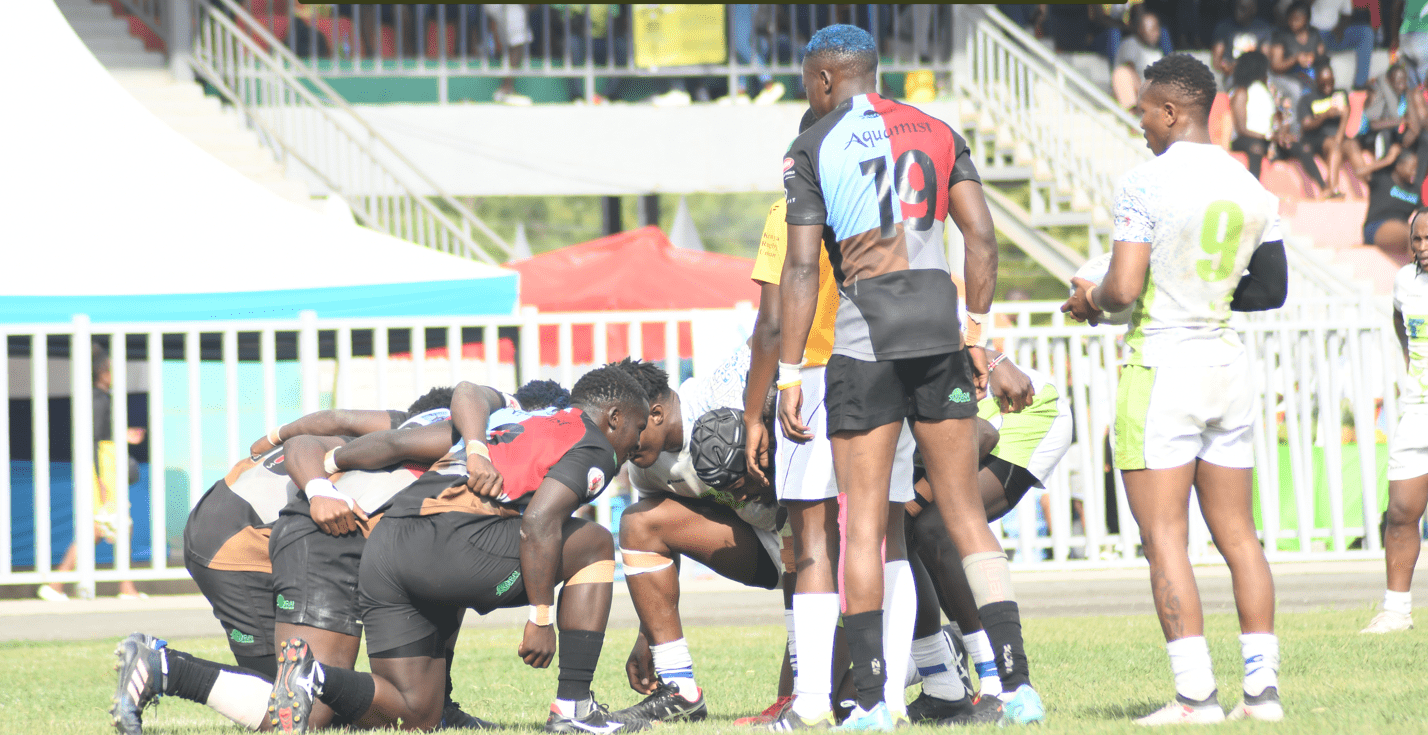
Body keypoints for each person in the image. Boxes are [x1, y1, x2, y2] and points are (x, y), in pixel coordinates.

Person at [778, 24, 1041, 729]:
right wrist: (979, 338)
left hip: (866, 342)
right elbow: (980, 237)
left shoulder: (812, 145)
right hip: (938, 336)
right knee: (964, 512)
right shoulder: (938, 129)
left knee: (863, 525)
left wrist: (788, 372)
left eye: (809, 82)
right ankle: (1015, 685)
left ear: (827, 79)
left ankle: (868, 700)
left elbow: (801, 269)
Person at [1061, 53, 1289, 725]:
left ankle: (1196, 697)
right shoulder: (1250, 185)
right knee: (1240, 536)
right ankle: (1263, 693)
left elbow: (1125, 287)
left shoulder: (1144, 182)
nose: (1141, 128)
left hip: (1160, 368)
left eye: (1144, 114)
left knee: (1164, 536)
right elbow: (1271, 288)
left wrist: (1090, 299)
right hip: (1226, 363)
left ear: (1170, 109)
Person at [268, 366, 650, 734]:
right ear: (614, 417)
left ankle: (311, 675)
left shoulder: (509, 418)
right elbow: (539, 522)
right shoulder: (595, 442)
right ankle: (574, 708)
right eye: (639, 426)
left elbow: (402, 438)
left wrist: (332, 460)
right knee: (597, 543)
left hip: (387, 548)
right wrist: (540, 616)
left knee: (414, 713)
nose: (639, 441)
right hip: (450, 543)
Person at [610, 353, 784, 724]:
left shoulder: (722, 394)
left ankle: (935, 657)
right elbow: (658, 551)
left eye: (627, 432)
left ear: (654, 414)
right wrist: (650, 637)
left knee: (814, 697)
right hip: (761, 547)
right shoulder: (645, 464)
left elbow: (767, 336)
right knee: (640, 523)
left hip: (822, 544)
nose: (622, 446)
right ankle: (679, 689)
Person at [904, 351, 1072, 711]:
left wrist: (995, 360)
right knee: (904, 533)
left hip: (1019, 414)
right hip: (970, 421)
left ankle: (996, 679)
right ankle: (944, 679)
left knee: (935, 525)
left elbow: (981, 436)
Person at [1363, 209, 1428, 634]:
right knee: (1402, 510)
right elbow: (1401, 326)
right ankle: (1395, 611)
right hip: (1418, 408)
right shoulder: (1405, 281)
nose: (1422, 247)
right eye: (1416, 240)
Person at [43, 341, 147, 601]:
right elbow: (92, 439)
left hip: (105, 466)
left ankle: (60, 584)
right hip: (102, 470)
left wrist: (124, 435)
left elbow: (102, 434)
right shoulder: (97, 399)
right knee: (111, 526)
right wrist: (100, 478)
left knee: (106, 528)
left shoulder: (100, 398)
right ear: (102, 372)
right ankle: (121, 587)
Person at [1344, 64, 1423, 178]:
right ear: (1389, 81)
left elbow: (1414, 124)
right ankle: (1383, 172)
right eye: (1398, 79)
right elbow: (1374, 124)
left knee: (1418, 136)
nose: (1402, 83)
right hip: (1368, 136)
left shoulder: (1405, 95)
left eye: (1404, 79)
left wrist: (1406, 139)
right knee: (1385, 133)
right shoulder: (1379, 94)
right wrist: (1402, 121)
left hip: (1391, 133)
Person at [1294, 58, 1351, 198]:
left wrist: (1339, 135)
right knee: (1334, 145)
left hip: (1336, 137)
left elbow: (1346, 113)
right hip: (1314, 138)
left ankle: (1332, 188)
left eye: (1331, 81)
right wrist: (1325, 115)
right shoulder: (1307, 99)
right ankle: (1331, 188)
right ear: (1317, 81)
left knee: (1338, 145)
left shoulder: (1340, 94)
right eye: (1324, 82)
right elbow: (1306, 125)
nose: (1328, 85)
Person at [1229, 51, 1281, 179]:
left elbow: (1275, 119)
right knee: (1256, 148)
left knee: (1293, 145)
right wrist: (1267, 136)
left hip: (1265, 138)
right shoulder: (1241, 92)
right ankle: (1254, 188)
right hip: (1245, 139)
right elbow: (1241, 129)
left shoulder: (1266, 91)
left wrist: (1279, 134)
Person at [1363, 147, 1421, 258]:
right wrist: (1387, 160)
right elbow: (1359, 172)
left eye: (1416, 168)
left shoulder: (1414, 189)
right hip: (1376, 227)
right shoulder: (1383, 179)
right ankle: (1418, 274)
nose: (1415, 172)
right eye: (1412, 167)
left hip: (1403, 230)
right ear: (1399, 166)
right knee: (1413, 232)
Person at [1310, 0, 1375, 90]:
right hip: (1314, 32)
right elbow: (1303, 8)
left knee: (1366, 32)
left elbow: (1347, 15)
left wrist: (1340, 28)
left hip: (1333, 33)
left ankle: (1360, 84)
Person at [1268, 2, 1325, 100]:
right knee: (1297, 89)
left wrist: (1313, 58)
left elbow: (1323, 57)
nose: (1293, 23)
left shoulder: (1314, 34)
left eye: (1297, 19)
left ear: (1306, 19)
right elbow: (1275, 67)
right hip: (1286, 76)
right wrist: (1295, 59)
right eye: (1290, 19)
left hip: (1309, 74)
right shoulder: (1281, 36)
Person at [1113, 8, 1168, 109]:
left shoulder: (1157, 53)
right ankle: (1132, 113)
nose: (1156, 33)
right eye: (1152, 30)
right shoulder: (1131, 43)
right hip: (1137, 94)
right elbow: (1129, 69)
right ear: (1140, 30)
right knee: (1122, 73)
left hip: (1151, 98)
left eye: (1157, 29)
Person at [1213, 0, 1276, 82]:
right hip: (1231, 75)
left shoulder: (1263, 28)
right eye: (1237, 7)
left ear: (1254, 9)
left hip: (1256, 74)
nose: (1238, 11)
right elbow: (1217, 61)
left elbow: (1265, 59)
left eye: (1243, 8)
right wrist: (1225, 67)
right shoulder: (1223, 27)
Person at [1398, 0, 1428, 86]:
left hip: (1405, 32)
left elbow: (1397, 6)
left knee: (1411, 77)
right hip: (1424, 32)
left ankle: (1414, 95)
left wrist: (1394, 39)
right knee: (1423, 75)